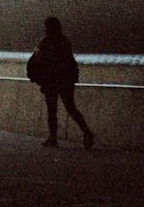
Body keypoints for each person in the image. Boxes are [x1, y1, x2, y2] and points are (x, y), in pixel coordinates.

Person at [26, 16, 95, 148]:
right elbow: (67, 62)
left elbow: (37, 59)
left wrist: (39, 75)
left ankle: (53, 138)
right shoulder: (63, 42)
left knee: (52, 110)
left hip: (52, 80)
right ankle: (86, 132)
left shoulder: (45, 42)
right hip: (64, 80)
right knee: (70, 107)